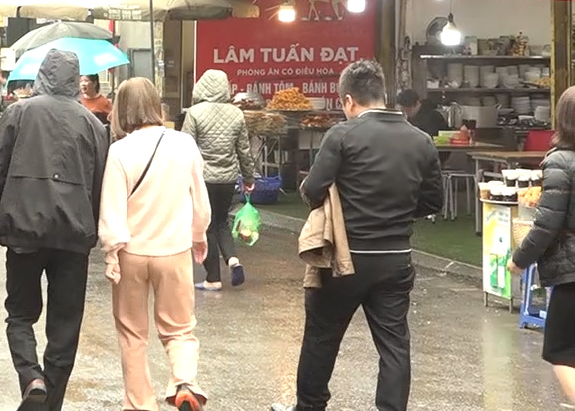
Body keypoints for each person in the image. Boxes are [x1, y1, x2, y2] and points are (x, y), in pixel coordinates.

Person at [271, 60, 442, 411]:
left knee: (321, 336)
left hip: (343, 258)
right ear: (383, 95)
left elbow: (312, 190)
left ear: (348, 100)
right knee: (394, 344)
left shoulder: (342, 135)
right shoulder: (420, 140)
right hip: (395, 258)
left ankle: (309, 406)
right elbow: (433, 201)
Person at [0, 49, 108, 410]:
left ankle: (31, 377)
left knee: (20, 314)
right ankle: (49, 403)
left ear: (42, 75)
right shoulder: (93, 125)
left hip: (24, 230)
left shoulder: (19, 113)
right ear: (76, 80)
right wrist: (94, 230)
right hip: (74, 235)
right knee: (65, 325)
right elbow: (100, 183)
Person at [101, 77, 210, 411]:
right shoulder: (184, 144)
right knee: (180, 329)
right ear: (156, 104)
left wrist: (111, 253)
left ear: (122, 109)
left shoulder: (119, 151)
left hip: (132, 253)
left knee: (133, 335)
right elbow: (200, 200)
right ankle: (184, 383)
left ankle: (140, 405)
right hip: (174, 250)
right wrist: (198, 234)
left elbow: (111, 208)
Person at [510, 85, 575, 405]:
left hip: (571, 273)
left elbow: (547, 224)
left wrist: (519, 259)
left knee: (561, 351)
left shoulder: (560, 162)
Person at [181, 69, 257, 291]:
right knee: (222, 222)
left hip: (202, 180)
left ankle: (213, 278)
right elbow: (244, 151)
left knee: (205, 225)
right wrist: (249, 178)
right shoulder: (236, 114)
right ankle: (233, 260)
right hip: (227, 179)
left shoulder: (194, 113)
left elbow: (185, 148)